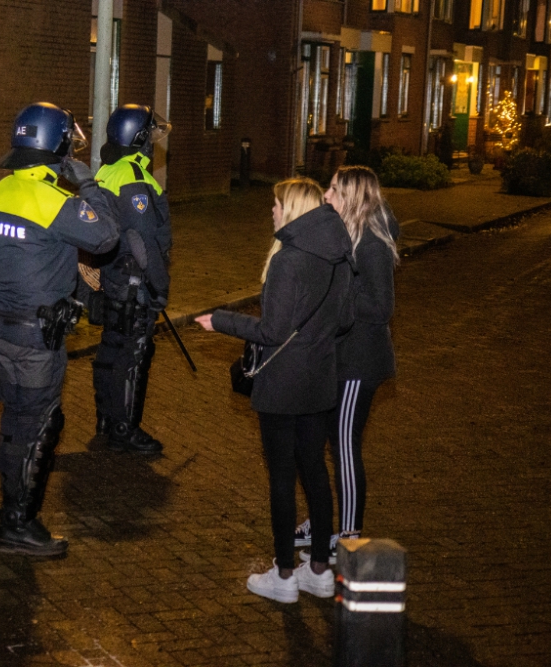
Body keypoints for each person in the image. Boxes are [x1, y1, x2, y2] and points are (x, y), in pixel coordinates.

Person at [0, 102, 120, 557]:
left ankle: (11, 516)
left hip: (0, 330)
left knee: (16, 422)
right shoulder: (56, 203)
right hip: (38, 339)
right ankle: (17, 525)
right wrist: (89, 182)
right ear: (58, 146)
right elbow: (107, 237)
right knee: (38, 425)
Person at [195, 178, 353, 603]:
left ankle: (284, 574)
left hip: (283, 384)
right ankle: (319, 568)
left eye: (277, 203)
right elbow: (347, 317)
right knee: (316, 473)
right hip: (319, 381)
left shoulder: (289, 261)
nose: (272, 210)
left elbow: (271, 330)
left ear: (294, 209)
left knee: (283, 478)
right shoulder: (340, 255)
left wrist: (221, 321)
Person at [293, 165, 399, 561]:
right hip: (337, 360)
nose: (326, 195)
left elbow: (381, 306)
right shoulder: (345, 235)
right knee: (319, 441)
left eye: (334, 190)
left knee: (344, 448)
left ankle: (350, 536)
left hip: (359, 363)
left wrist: (338, 295)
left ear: (352, 196)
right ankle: (321, 524)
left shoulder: (370, 244)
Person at [92, 104, 172, 454]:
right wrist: (159, 287)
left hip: (112, 277)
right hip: (135, 283)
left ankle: (107, 421)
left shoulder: (107, 173)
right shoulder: (136, 181)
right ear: (139, 140)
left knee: (111, 348)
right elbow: (143, 242)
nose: (153, 143)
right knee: (134, 353)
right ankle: (125, 430)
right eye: (149, 136)